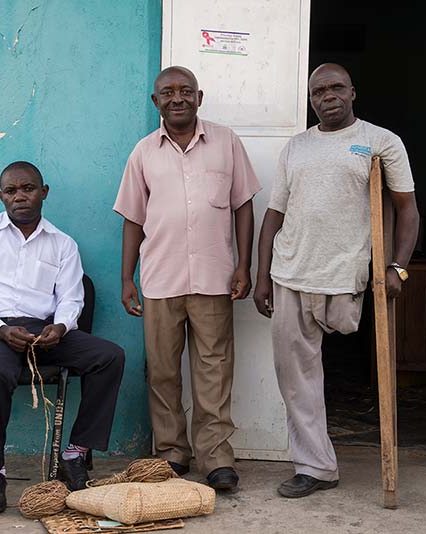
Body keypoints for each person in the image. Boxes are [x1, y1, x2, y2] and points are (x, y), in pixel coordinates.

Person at [253, 63, 420, 498]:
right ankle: (316, 467)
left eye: (336, 88)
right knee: (296, 376)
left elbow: (407, 208)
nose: (327, 96)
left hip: (346, 275)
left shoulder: (380, 142)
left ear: (352, 92)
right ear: (311, 99)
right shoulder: (296, 147)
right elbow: (274, 214)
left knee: (341, 358)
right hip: (290, 272)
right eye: (318, 91)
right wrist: (262, 275)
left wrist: (398, 267)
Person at [113, 66, 261, 491]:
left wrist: (244, 265)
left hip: (215, 278)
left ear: (199, 96)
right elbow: (133, 218)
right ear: (155, 101)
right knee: (162, 371)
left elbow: (243, 206)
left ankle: (215, 457)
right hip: (160, 278)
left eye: (185, 91)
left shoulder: (226, 142)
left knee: (214, 370)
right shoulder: (143, 152)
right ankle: (171, 453)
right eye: (167, 93)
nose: (177, 98)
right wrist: (127, 278)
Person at [0, 161, 125, 513]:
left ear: (43, 192)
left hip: (43, 331)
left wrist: (60, 327)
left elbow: (72, 298)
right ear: (1, 196)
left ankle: (74, 455)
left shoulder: (62, 244)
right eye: (11, 191)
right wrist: (0, 329)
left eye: (28, 188)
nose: (20, 196)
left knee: (109, 357)